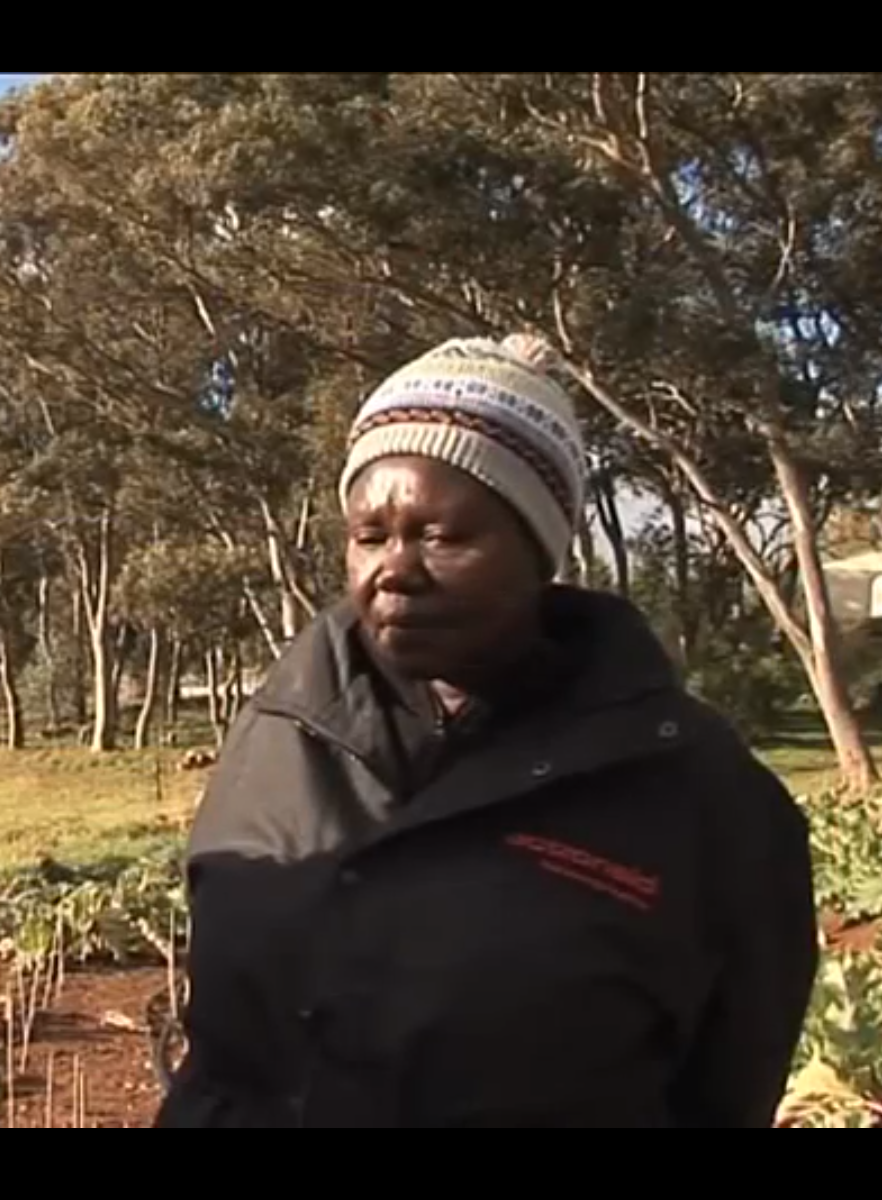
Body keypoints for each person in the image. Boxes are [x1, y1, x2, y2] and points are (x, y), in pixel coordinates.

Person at [154, 333, 819, 1128]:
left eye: (442, 536)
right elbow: (225, 1046)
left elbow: (730, 1080)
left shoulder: (699, 793)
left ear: (540, 550)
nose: (394, 569)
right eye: (370, 536)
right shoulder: (279, 730)